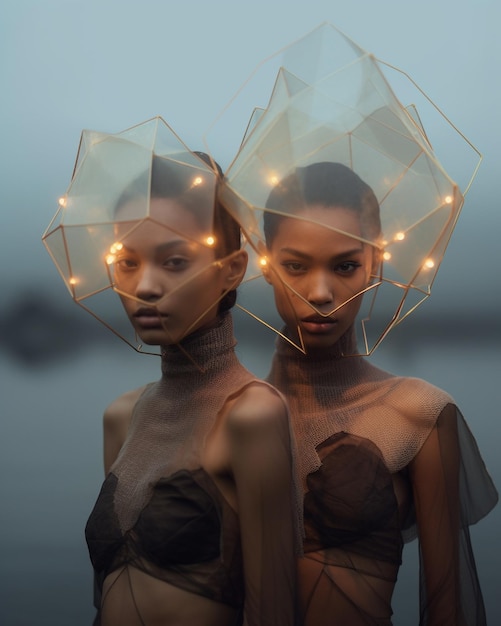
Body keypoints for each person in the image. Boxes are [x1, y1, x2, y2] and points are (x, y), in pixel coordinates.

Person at [257, 161, 498, 625]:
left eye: (345, 265)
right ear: (265, 263)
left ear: (376, 264)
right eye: (295, 266)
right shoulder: (234, 413)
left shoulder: (417, 414)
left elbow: (448, 604)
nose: (321, 292)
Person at [84, 153, 300, 626]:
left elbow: (275, 609)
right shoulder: (123, 416)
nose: (144, 285)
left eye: (175, 261)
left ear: (232, 269)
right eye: (125, 262)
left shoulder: (251, 415)